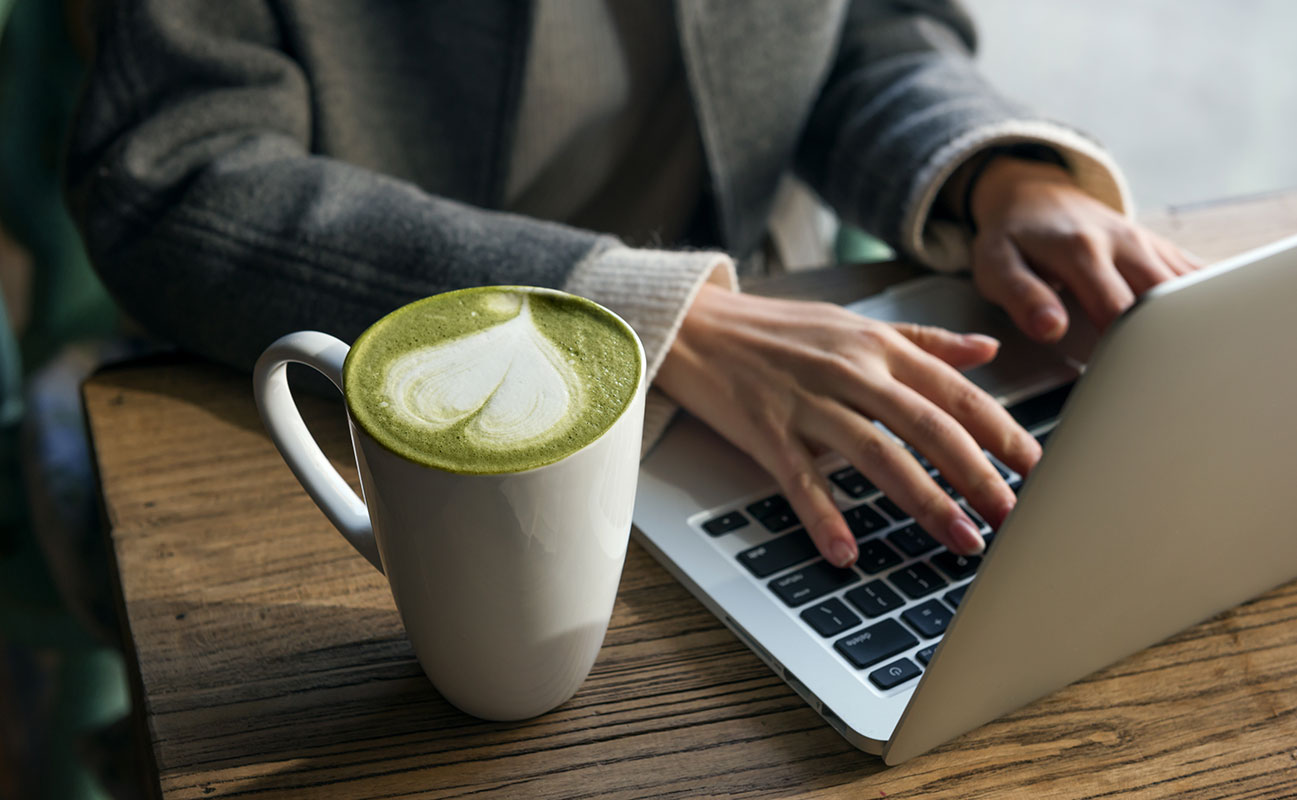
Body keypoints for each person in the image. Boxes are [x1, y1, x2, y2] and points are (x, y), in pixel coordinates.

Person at [66, 0, 1199, 570]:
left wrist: (996, 172)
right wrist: (638, 311)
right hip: (356, 431)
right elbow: (172, 176)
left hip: (760, 380)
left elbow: (871, 35)